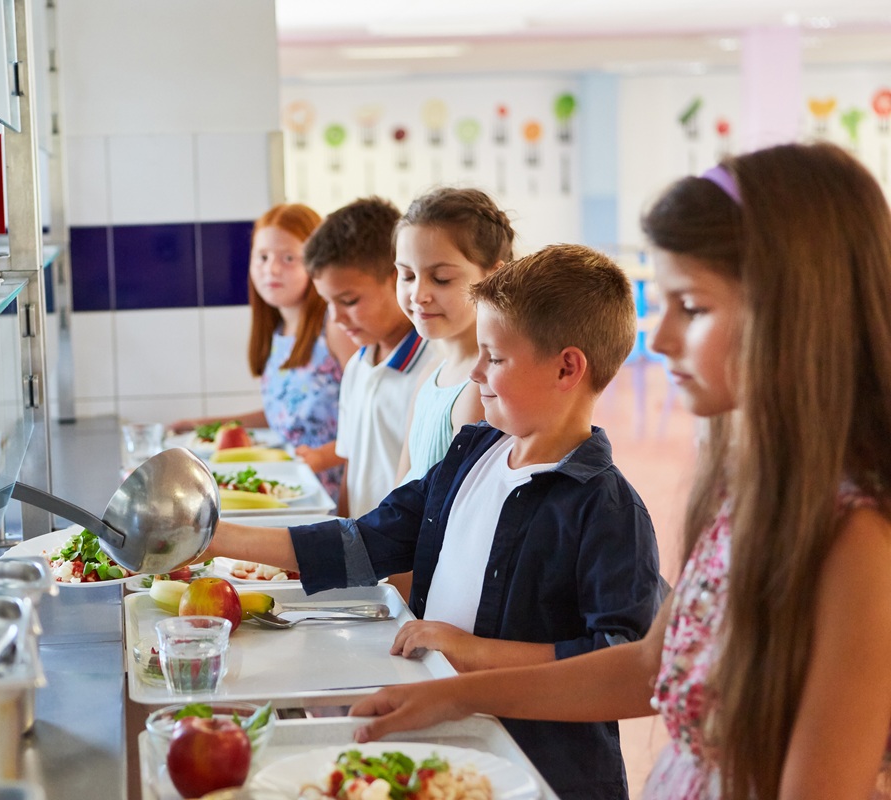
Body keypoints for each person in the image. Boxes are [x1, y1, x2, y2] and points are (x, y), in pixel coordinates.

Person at [348, 143, 891, 800]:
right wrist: (452, 695)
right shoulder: (751, 489)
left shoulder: (857, 538)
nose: (657, 342)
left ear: (796, 311)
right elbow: (646, 667)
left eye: (691, 307)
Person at [206, 243, 664, 800]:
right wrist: (214, 539)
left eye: (494, 357)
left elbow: (619, 665)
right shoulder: (472, 453)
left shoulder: (609, 511)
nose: (475, 371)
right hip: (452, 742)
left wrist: (469, 649)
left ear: (567, 367)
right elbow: (367, 541)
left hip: (547, 773)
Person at [171, 204, 357, 500]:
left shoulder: (336, 327)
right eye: (263, 257)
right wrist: (203, 426)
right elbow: (283, 416)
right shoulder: (279, 330)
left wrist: (322, 458)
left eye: (288, 258)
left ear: (317, 261)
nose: (271, 269)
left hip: (329, 497)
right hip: (290, 489)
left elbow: (372, 420)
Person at [304, 196, 434, 518]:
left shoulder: (435, 368)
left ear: (398, 277)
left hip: (407, 562)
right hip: (364, 559)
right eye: (327, 302)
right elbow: (351, 467)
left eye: (348, 300)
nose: (336, 318)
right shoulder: (357, 367)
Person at [393, 187, 514, 485]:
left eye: (441, 279)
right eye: (407, 276)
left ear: (493, 277)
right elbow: (399, 492)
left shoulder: (481, 390)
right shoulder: (431, 374)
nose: (418, 295)